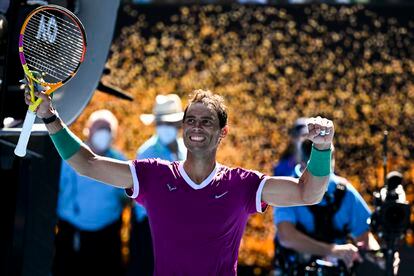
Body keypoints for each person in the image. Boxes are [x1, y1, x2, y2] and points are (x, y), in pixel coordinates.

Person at [29, 88, 334, 275]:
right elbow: (86, 163)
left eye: (206, 121)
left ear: (222, 133)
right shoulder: (153, 174)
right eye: (191, 120)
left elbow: (308, 192)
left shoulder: (242, 184)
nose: (197, 127)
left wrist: (321, 149)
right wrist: (49, 117)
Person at [273, 139, 382, 275]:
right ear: (303, 164)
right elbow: (286, 236)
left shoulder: (344, 191)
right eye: (318, 167)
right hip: (296, 269)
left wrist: (380, 256)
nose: (323, 175)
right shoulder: (286, 189)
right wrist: (333, 250)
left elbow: (363, 236)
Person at [52, 109, 127, 276]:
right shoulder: (69, 156)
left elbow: (126, 197)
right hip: (71, 231)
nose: (104, 133)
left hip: (106, 235)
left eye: (108, 129)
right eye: (100, 128)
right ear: (88, 130)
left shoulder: (120, 160)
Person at [128, 94, 187, 276]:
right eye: (161, 123)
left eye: (169, 123)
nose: (165, 128)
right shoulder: (146, 153)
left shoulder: (186, 150)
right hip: (150, 224)